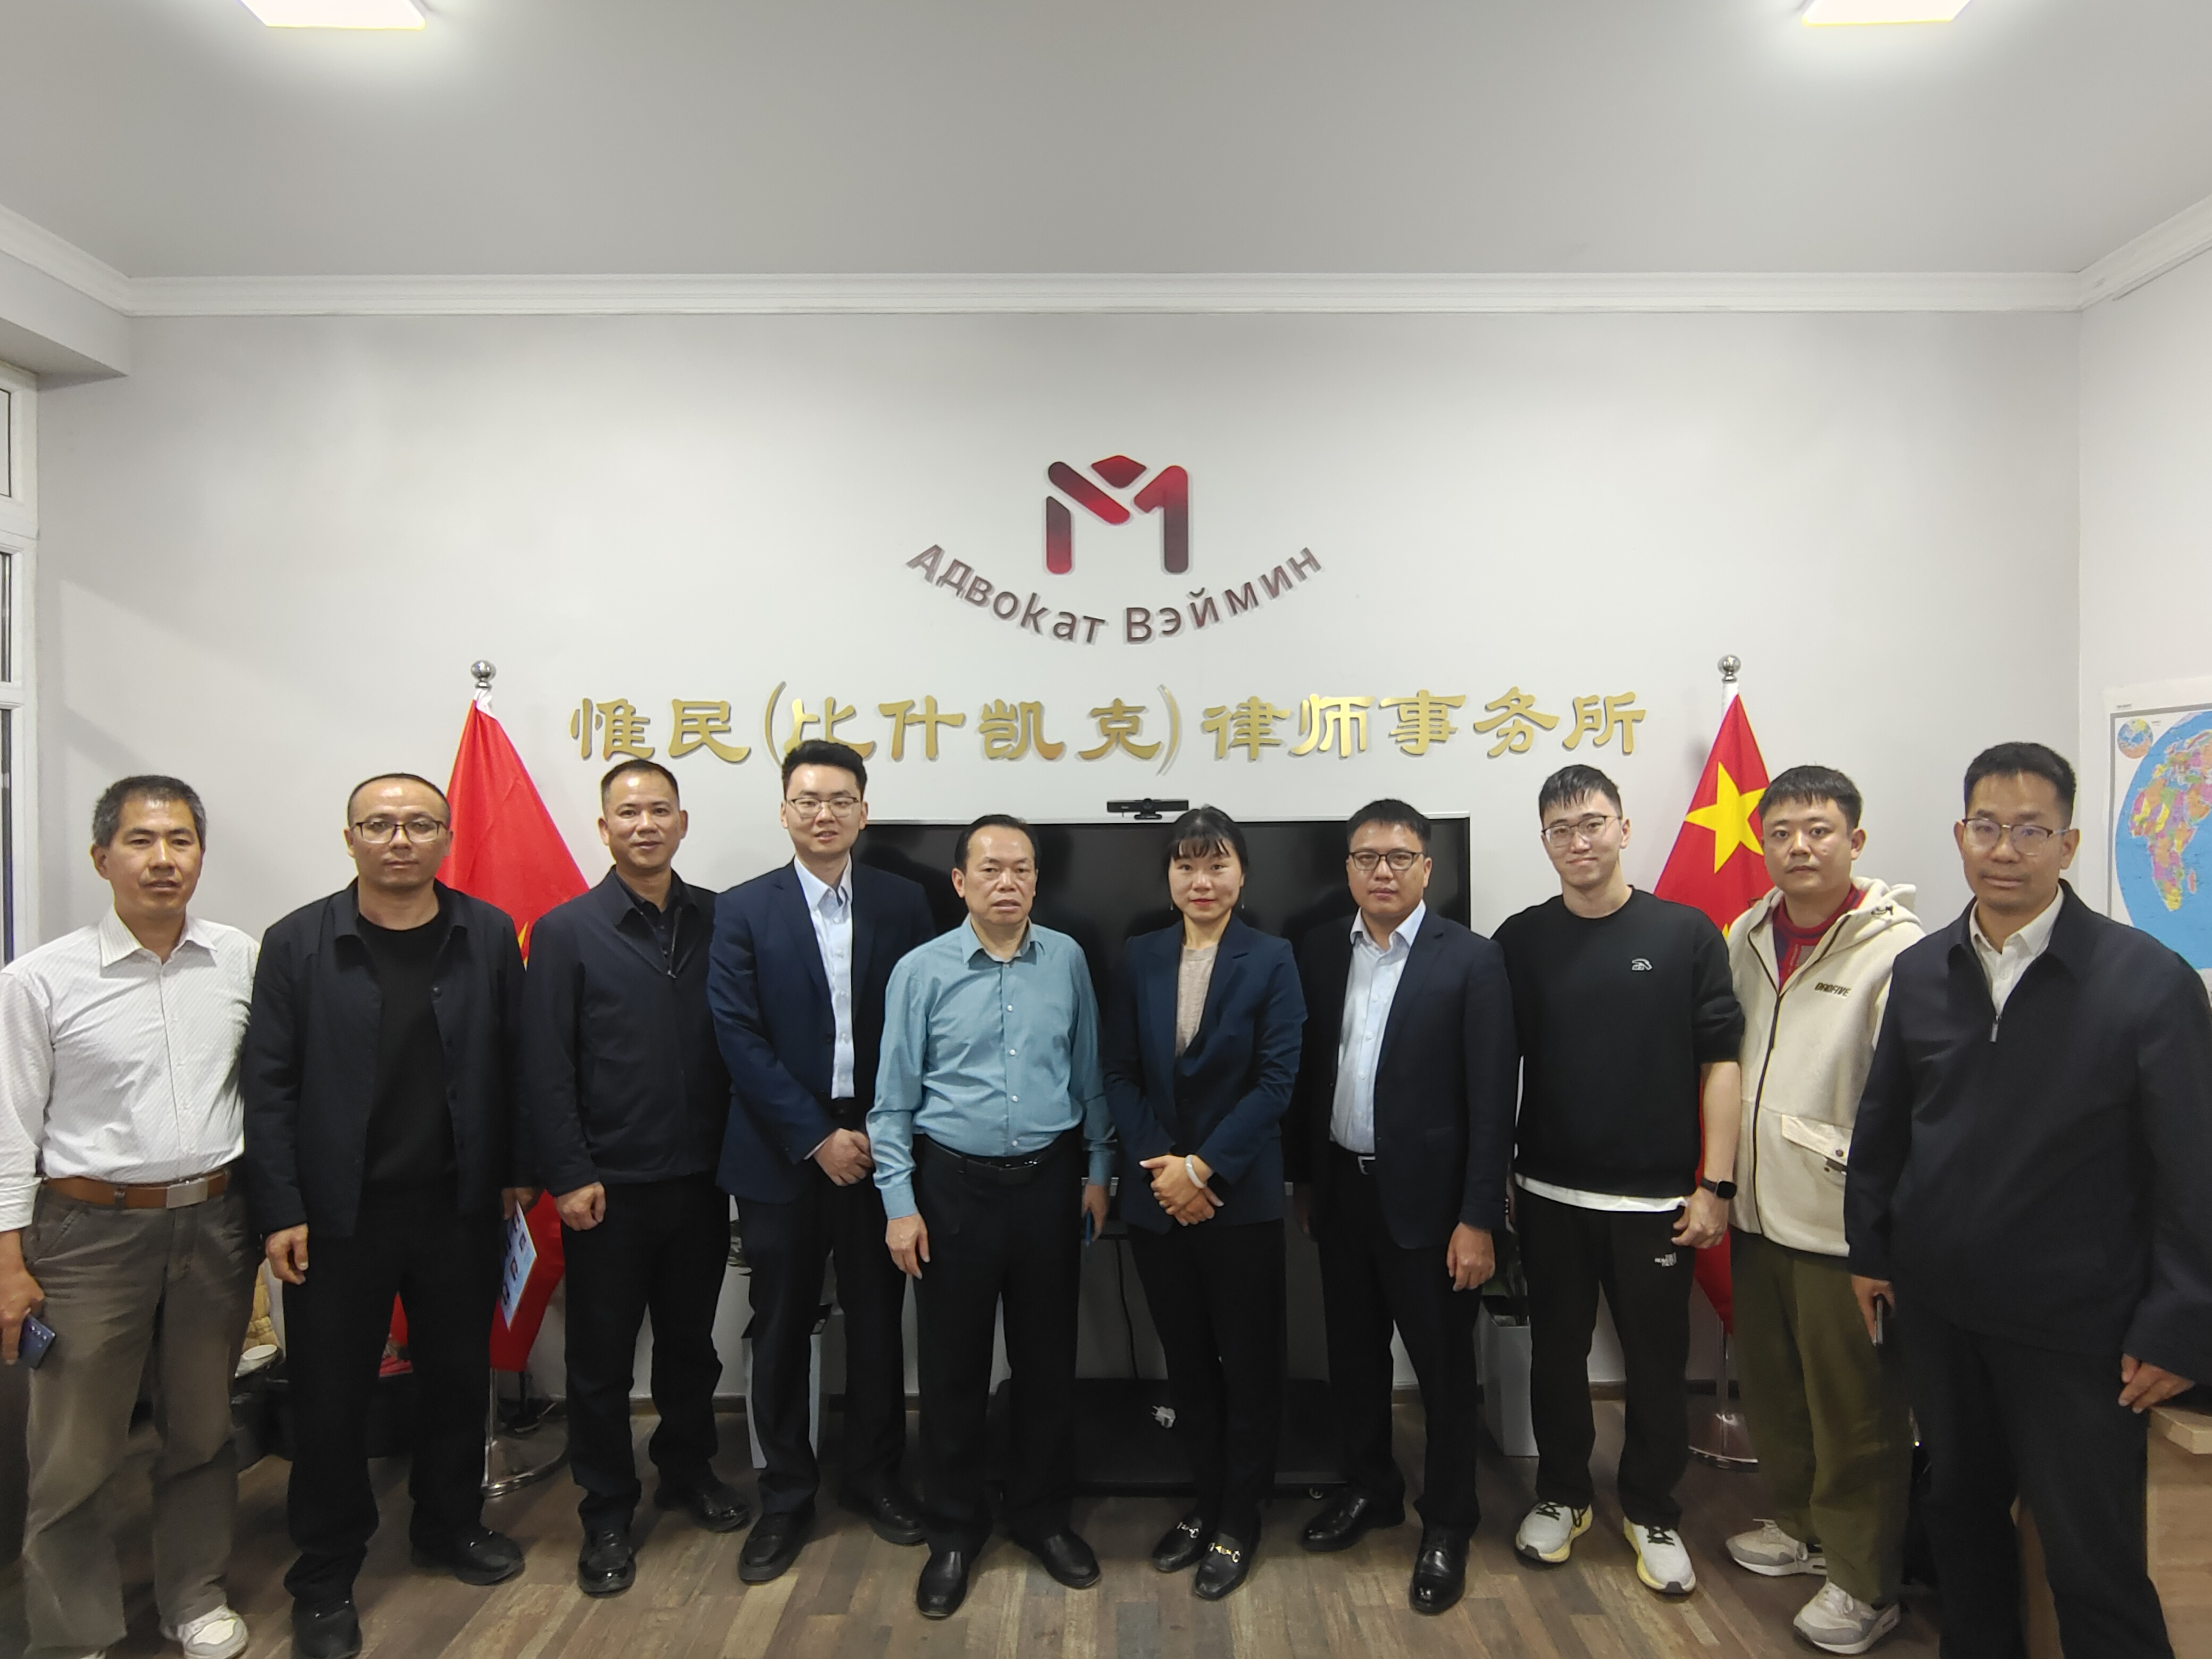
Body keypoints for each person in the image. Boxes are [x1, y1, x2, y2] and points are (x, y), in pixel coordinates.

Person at [1847, 742, 2212, 1659]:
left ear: (2069, 843)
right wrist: (1871, 1250)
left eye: (2030, 830)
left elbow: (2194, 1168)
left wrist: (2181, 1321)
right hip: (1941, 1312)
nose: (2004, 849)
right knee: (1962, 1525)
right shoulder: (1923, 971)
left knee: (2092, 1560)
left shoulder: (2147, 982)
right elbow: (1885, 1124)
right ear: (1960, 835)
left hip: (2077, 1329)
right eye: (1987, 827)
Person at [242, 773, 537, 1659]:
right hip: (339, 1216)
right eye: (379, 825)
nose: (399, 839)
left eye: (419, 824)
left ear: (446, 837)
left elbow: (517, 1058)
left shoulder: (486, 932)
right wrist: (280, 1207)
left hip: (457, 1203)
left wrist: (517, 1172)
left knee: (457, 1381)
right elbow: (269, 1084)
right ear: (350, 839)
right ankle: (325, 1574)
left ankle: (448, 1528)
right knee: (331, 1399)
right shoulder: (297, 942)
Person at [0, 777, 258, 1659]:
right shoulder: (39, 981)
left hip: (215, 1222)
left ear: (200, 855)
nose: (162, 859)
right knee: (74, 1451)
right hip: (87, 1234)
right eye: (141, 841)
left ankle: (193, 1596)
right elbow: (9, 1130)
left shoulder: (238, 958)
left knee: (202, 1427)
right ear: (101, 856)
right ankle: (74, 1633)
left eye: (180, 840)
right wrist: (8, 1265)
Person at [1496, 765, 1744, 1598]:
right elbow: (1497, 1067)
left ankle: (1650, 1508)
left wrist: (1716, 1187)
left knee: (1656, 1363)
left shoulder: (1685, 934)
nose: (1580, 842)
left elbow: (1721, 1063)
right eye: (1561, 830)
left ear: (1624, 829)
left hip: (1657, 1202)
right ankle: (1564, 1495)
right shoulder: (1521, 939)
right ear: (1545, 841)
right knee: (1556, 1357)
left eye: (1593, 823)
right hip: (1548, 1195)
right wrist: (1499, 1176)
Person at [869, 814, 1113, 1619]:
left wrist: (1099, 1169)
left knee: (1048, 1364)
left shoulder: (1066, 959)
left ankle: (1043, 1518)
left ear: (1038, 880)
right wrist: (899, 1206)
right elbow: (892, 1102)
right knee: (952, 1372)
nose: (1008, 882)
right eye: (991, 869)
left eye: (1022, 869)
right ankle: (953, 1531)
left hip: (1050, 1186)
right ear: (960, 882)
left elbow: (1089, 1074)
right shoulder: (920, 971)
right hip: (952, 1192)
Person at [1283, 799, 1519, 1617]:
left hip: (1436, 1208)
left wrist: (1479, 1218)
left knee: (1445, 1375)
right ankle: (1371, 1488)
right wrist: (1307, 1181)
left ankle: (1448, 1522)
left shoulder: (1474, 960)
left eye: (1399, 857)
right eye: (1366, 857)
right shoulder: (1320, 950)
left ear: (1427, 868)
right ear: (1347, 869)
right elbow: (1309, 1077)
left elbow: (1492, 1102)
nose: (1382, 871)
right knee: (1354, 1360)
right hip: (1343, 1193)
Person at [709, 739, 936, 1582]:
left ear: (864, 812)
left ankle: (875, 1478)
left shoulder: (904, 902)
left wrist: (883, 1128)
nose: (824, 814)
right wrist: (815, 1136)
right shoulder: (742, 909)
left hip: (881, 1145)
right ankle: (786, 1496)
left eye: (840, 800)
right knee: (779, 1326)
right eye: (807, 800)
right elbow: (738, 1035)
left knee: (878, 1323)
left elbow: (926, 1020)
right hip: (783, 1153)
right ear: (784, 812)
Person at [524, 759, 750, 1599]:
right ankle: (608, 1510)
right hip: (607, 1189)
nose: (645, 825)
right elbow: (545, 1064)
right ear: (605, 828)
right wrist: (569, 1172)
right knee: (601, 1361)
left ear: (683, 823)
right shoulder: (566, 931)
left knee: (691, 1346)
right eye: (628, 813)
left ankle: (687, 1472)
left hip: (703, 1177)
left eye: (660, 811)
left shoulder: (722, 919)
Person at [1720, 765, 1922, 1654]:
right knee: (1777, 1390)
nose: (1798, 847)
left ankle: (1865, 1582)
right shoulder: (1748, 932)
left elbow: (1908, 1102)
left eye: (1818, 830)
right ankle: (1802, 1530)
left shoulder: (1900, 950)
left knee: (1857, 1412)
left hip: (1845, 1226)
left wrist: (1883, 1231)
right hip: (1758, 1208)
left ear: (1855, 841)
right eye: (1782, 833)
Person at [1101, 806, 1305, 1601]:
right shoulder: (1141, 956)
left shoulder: (1273, 959)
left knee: (1249, 1365)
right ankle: (1206, 1498)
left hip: (1238, 1198)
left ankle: (1240, 1516)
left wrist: (1204, 1168)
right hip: (1159, 1199)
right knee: (1185, 1363)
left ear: (1242, 876)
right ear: (1169, 878)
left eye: (1217, 865)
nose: (1202, 881)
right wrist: (1169, 1171)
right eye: (1187, 866)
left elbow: (1277, 1083)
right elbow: (1118, 1073)